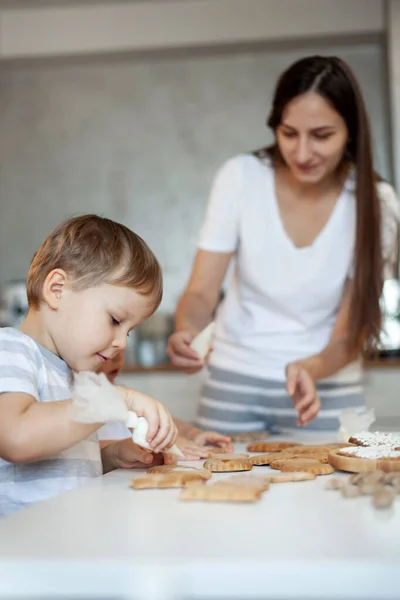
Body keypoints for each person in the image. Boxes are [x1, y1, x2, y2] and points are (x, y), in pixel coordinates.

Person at [167, 55, 400, 434]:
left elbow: (350, 331)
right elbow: (201, 291)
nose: (303, 153)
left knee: (329, 491)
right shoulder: (241, 177)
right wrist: (186, 330)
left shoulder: (378, 202)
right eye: (289, 133)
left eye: (322, 135)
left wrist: (310, 368)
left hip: (325, 384)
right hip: (234, 379)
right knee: (216, 488)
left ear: (351, 132)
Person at [0, 214, 178, 517]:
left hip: (71, 541)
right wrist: (114, 400)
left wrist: (111, 455)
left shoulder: (73, 374)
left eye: (129, 331)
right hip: (23, 553)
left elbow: (64, 469)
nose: (122, 342)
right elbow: (16, 438)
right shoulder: (11, 350)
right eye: (115, 321)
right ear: (57, 290)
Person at [98, 351, 233, 459]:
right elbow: (87, 452)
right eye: (102, 351)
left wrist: (193, 434)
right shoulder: (81, 404)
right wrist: (165, 445)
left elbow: (162, 423)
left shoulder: (123, 394)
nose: (116, 356)